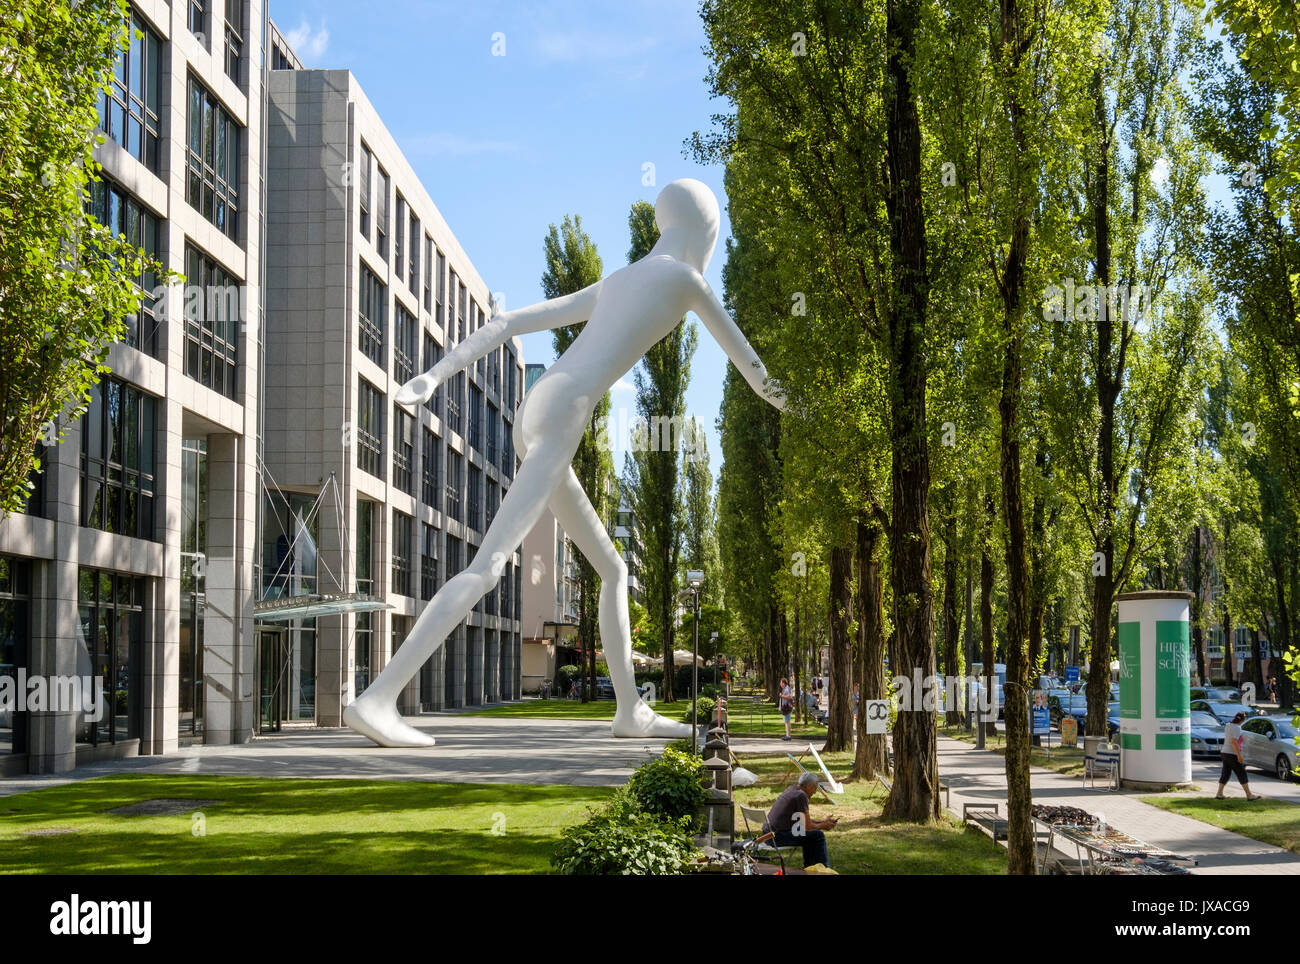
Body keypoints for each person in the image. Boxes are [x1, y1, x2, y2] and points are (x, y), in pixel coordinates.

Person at [341, 179, 785, 746]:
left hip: (538, 407)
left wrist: (436, 374)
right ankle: (379, 697)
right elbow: (757, 374)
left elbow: (510, 323)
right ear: (708, 230)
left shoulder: (620, 280)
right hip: (564, 414)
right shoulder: (686, 280)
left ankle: (630, 710)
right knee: (487, 566)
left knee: (614, 571)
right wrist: (812, 411)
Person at [764, 772, 838, 869]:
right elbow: (807, 827)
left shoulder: (792, 789)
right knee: (818, 835)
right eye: (815, 788)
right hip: (776, 837)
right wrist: (824, 826)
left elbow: (804, 821)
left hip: (767, 834)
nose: (815, 792)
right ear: (808, 786)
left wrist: (822, 822)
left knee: (810, 835)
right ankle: (824, 869)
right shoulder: (801, 796)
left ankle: (809, 868)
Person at [1217, 711, 1261, 800]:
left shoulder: (1228, 725)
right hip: (1232, 754)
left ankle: (1219, 793)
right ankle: (1249, 795)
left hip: (1224, 752)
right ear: (1243, 720)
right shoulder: (1237, 728)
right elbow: (1234, 742)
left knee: (1226, 773)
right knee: (1241, 773)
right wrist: (1239, 756)